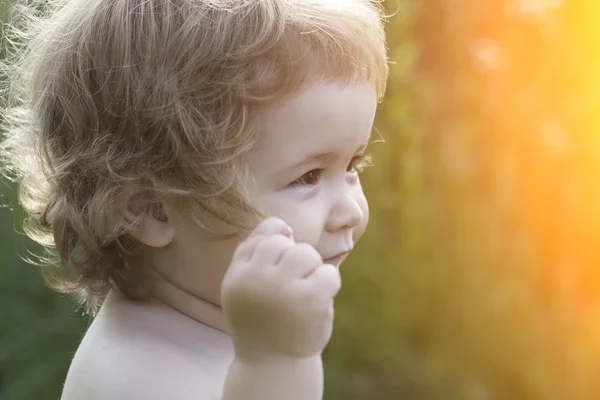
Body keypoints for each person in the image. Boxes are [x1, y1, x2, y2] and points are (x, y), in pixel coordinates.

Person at [0, 0, 388, 398]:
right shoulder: (136, 376)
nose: (351, 212)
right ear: (151, 209)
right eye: (307, 177)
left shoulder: (216, 328)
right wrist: (278, 362)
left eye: (354, 165)